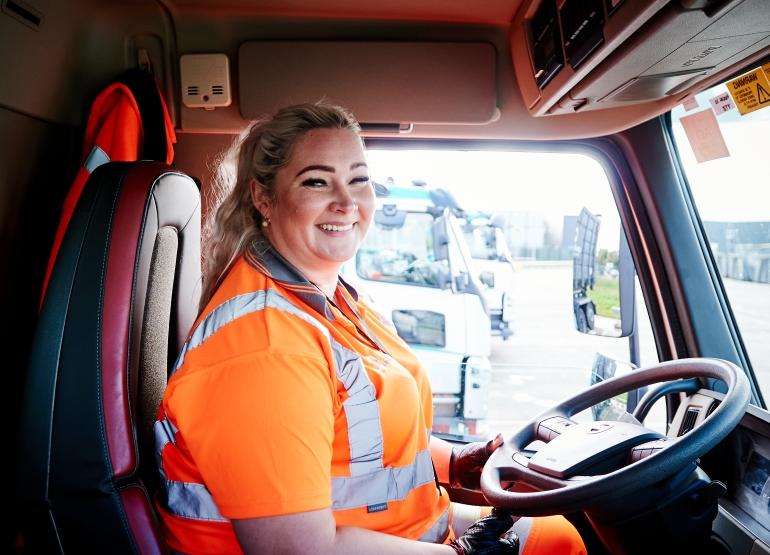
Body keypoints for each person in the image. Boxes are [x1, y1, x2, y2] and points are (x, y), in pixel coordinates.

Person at [154, 103, 586, 554]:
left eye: (358, 179)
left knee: (558, 536)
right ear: (264, 198)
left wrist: (455, 462)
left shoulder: (329, 297)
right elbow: (297, 550)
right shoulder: (265, 351)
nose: (347, 202)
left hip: (403, 529)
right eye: (317, 181)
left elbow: (367, 435)